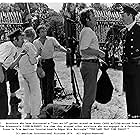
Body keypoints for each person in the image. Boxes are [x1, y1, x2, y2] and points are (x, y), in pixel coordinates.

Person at [33, 25, 69, 107]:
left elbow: (59, 47)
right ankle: (44, 102)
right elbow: (34, 54)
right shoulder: (35, 42)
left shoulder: (51, 40)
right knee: (43, 83)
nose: (44, 32)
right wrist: (38, 54)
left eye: (45, 31)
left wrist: (66, 51)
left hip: (49, 62)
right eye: (42, 31)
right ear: (38, 33)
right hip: (41, 64)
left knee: (50, 83)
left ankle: (50, 102)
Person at [79, 8, 105, 119]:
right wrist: (98, 52)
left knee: (89, 96)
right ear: (87, 19)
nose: (95, 17)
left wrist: (98, 58)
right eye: (93, 16)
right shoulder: (88, 31)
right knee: (89, 98)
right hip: (89, 66)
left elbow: (86, 50)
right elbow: (83, 50)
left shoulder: (87, 31)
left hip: (90, 64)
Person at [0, 29, 26, 119]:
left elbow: (11, 66)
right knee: (3, 97)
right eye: (21, 39)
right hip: (0, 70)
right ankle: (3, 118)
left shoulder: (13, 48)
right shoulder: (8, 46)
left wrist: (21, 55)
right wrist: (1, 76)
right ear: (15, 39)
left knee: (14, 72)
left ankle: (13, 96)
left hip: (4, 69)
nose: (23, 41)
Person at [120, 5, 140, 119]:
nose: (122, 18)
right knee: (129, 93)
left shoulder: (138, 30)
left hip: (137, 67)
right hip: (127, 66)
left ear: (131, 15)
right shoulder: (125, 31)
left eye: (123, 16)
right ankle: (131, 114)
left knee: (137, 92)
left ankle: (137, 116)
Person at [18, 27, 42, 119]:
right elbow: (33, 60)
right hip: (30, 71)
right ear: (33, 36)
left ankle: (27, 113)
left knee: (27, 94)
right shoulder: (30, 45)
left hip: (23, 71)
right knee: (35, 93)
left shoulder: (21, 44)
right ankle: (35, 114)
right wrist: (38, 57)